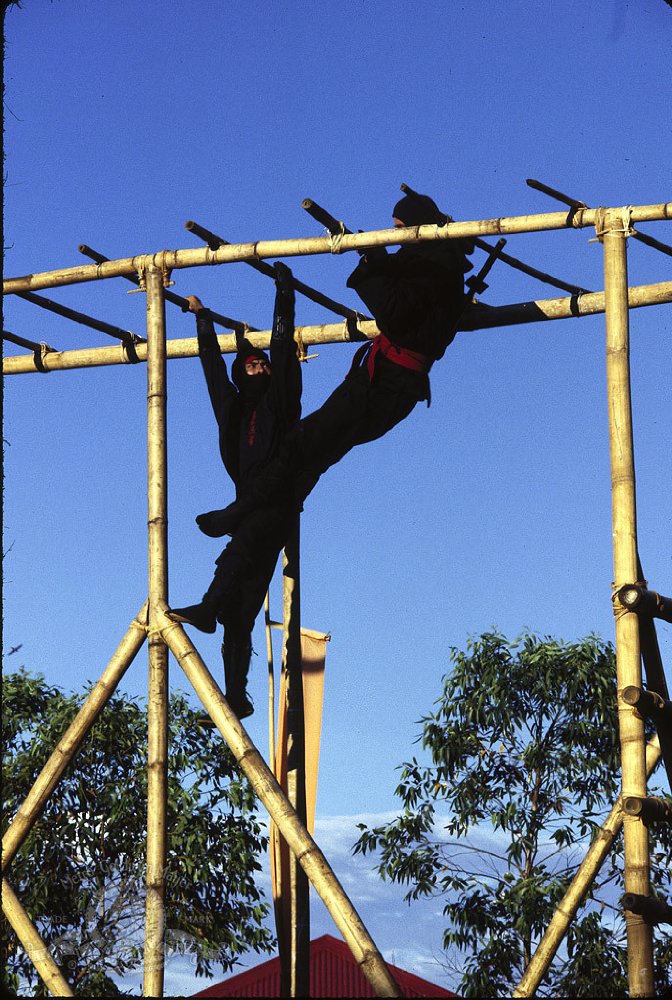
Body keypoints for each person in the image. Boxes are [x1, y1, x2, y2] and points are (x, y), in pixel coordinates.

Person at [197, 189, 474, 536]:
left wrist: (372, 264)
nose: (397, 236)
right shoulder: (432, 263)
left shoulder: (435, 267)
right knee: (319, 451)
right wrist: (375, 256)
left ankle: (245, 508)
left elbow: (395, 312)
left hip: (386, 381)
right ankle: (257, 511)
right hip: (390, 382)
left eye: (401, 228)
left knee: (306, 442)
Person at [170, 262, 301, 719]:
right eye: (250, 361)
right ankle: (236, 696)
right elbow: (211, 370)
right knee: (241, 611)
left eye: (260, 361)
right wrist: (202, 319)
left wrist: (285, 294)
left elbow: (282, 350)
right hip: (250, 509)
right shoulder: (232, 409)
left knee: (238, 549)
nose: (258, 362)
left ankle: (207, 606)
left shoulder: (278, 402)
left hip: (274, 502)